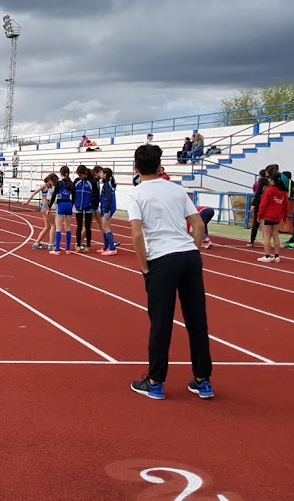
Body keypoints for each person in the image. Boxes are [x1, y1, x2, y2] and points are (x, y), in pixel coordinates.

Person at [126, 144, 213, 400]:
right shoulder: (177, 190)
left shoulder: (136, 194)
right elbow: (197, 224)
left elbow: (137, 233)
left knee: (161, 321)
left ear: (136, 168)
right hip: (189, 257)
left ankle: (155, 382)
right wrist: (193, 250)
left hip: (163, 259)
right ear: (159, 165)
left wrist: (144, 267)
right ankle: (203, 380)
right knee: (197, 319)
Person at [257, 173, 288, 263]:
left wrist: (260, 215)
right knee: (275, 235)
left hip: (268, 216)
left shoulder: (269, 190)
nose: (269, 181)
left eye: (270, 180)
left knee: (266, 236)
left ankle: (267, 256)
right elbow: (285, 207)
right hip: (277, 217)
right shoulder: (283, 192)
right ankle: (277, 256)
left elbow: (264, 204)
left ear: (273, 181)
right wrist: (284, 217)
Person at [48, 166, 76, 255]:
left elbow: (54, 195)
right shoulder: (71, 183)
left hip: (61, 205)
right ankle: (67, 249)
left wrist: (49, 207)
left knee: (58, 227)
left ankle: (57, 249)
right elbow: (74, 196)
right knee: (68, 227)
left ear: (61, 173)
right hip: (69, 205)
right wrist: (72, 204)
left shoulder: (59, 183)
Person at [26, 173, 57, 250]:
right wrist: (28, 201)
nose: (55, 183)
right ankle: (51, 244)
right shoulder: (44, 186)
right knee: (54, 225)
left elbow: (50, 199)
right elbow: (35, 192)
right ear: (50, 180)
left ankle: (36, 243)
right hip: (45, 207)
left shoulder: (51, 187)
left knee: (47, 227)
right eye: (54, 181)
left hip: (45, 207)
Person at [99, 168, 118, 255]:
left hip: (108, 209)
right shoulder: (109, 184)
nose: (100, 174)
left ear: (105, 175)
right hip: (107, 208)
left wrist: (106, 211)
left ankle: (112, 248)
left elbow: (108, 198)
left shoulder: (107, 185)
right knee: (104, 227)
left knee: (106, 227)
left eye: (102, 173)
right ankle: (106, 246)